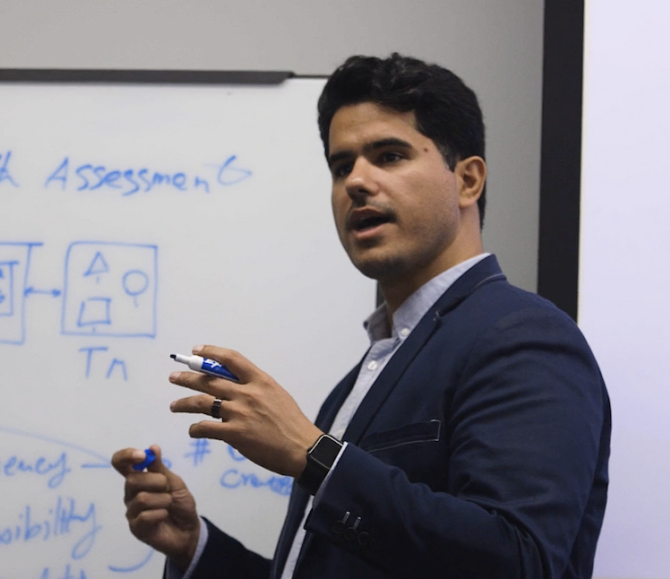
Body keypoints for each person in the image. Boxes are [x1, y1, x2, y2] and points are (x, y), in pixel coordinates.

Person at [111, 53, 611, 579]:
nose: (355, 182)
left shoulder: (524, 338)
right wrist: (196, 549)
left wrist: (312, 452)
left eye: (389, 155)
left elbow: (518, 560)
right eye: (341, 165)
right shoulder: (367, 374)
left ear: (468, 181)